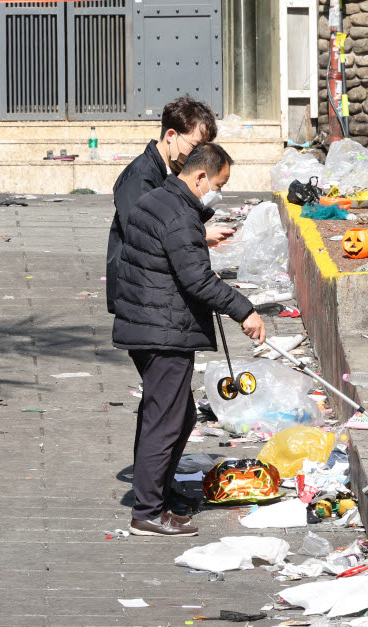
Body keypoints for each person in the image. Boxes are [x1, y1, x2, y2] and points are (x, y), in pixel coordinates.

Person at [113, 143, 267, 536]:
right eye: (219, 183)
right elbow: (197, 280)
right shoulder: (180, 215)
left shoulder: (160, 200)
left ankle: (158, 497)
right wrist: (243, 311)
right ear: (200, 176)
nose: (218, 191)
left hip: (146, 324)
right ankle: (148, 512)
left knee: (174, 415)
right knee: (165, 421)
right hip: (162, 330)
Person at [106, 94, 235, 316]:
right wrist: (200, 235)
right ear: (171, 135)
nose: (199, 155)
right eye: (195, 146)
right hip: (139, 290)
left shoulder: (174, 171)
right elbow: (144, 234)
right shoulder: (140, 176)